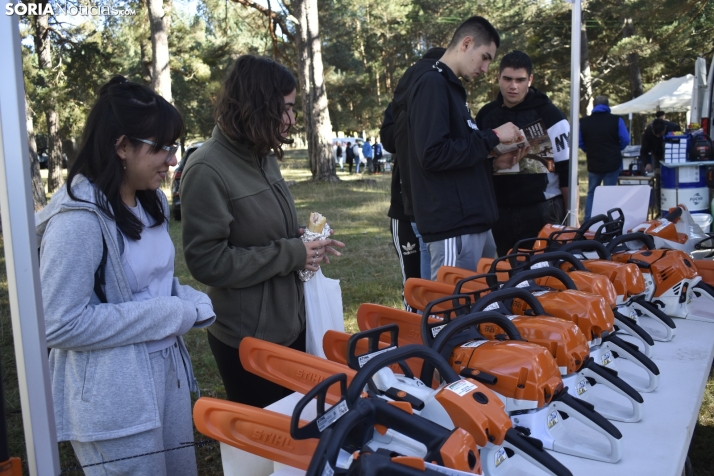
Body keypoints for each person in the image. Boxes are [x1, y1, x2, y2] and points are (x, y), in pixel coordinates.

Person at [36, 76, 215, 475]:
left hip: (165, 379)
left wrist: (186, 298)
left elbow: (147, 286)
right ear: (121, 146)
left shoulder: (153, 203)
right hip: (113, 402)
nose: (172, 160)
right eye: (162, 149)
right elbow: (58, 323)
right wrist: (168, 313)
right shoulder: (77, 221)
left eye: (174, 148)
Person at [180, 55, 344, 408]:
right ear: (256, 106)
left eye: (293, 108)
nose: (291, 119)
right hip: (248, 341)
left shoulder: (263, 153)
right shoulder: (206, 168)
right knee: (269, 448)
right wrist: (291, 252)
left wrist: (304, 240)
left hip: (291, 326)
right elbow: (206, 262)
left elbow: (261, 230)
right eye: (284, 108)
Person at [404, 16, 527, 280]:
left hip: (474, 221)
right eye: (485, 57)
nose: (485, 68)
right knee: (451, 312)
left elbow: (458, 150)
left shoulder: (451, 87)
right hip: (453, 226)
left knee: (480, 306)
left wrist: (492, 160)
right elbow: (432, 154)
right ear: (466, 43)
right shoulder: (431, 83)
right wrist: (493, 136)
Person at [476, 51, 572, 256]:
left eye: (520, 80)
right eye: (507, 79)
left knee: (543, 276)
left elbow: (568, 171)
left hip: (542, 211)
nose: (513, 86)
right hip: (497, 212)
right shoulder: (485, 115)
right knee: (502, 276)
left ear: (530, 80)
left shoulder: (551, 115)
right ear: (498, 77)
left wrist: (572, 218)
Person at [579, 95, 630, 220]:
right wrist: (617, 149)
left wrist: (588, 150)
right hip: (612, 162)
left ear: (594, 106)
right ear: (608, 106)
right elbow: (625, 139)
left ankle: (588, 220)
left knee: (591, 192)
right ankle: (609, 221)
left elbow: (580, 142)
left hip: (594, 161)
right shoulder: (616, 120)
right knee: (609, 194)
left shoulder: (584, 122)